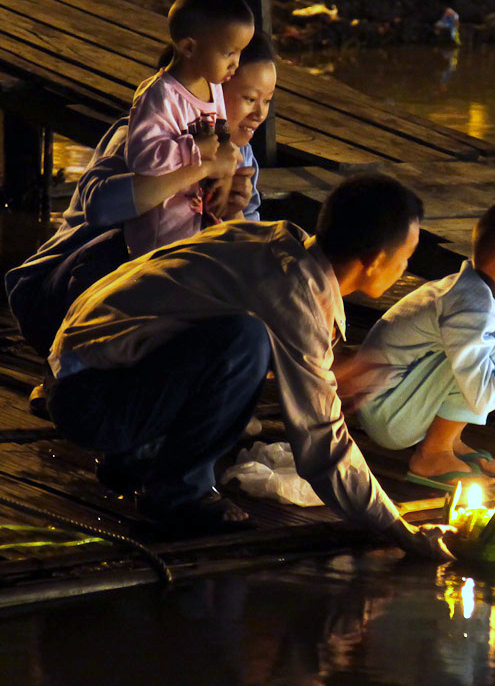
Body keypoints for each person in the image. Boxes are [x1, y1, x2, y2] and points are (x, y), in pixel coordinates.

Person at [45, 173, 451, 556]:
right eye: (406, 257)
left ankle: (139, 457)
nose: (406, 269)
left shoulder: (272, 242)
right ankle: (179, 494)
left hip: (83, 377)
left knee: (246, 343)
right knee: (246, 341)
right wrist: (398, 529)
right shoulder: (294, 293)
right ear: (376, 259)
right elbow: (321, 442)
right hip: (90, 401)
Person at [4, 31, 278, 407]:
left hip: (151, 303)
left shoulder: (243, 159)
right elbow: (101, 208)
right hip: (60, 295)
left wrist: (233, 211)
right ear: (208, 89)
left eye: (267, 101)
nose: (260, 113)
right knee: (126, 250)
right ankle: (66, 378)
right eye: (249, 98)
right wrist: (199, 168)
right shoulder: (141, 138)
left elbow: (242, 257)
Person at [354, 199, 495, 491]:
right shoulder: (469, 306)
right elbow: (483, 394)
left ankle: (448, 441)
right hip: (386, 410)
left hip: (407, 401)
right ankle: (433, 455)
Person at [123, 0, 255, 257]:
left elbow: (223, 141)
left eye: (240, 52)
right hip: (161, 241)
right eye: (229, 53)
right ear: (189, 48)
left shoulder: (213, 87)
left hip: (199, 230)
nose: (236, 63)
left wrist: (226, 177)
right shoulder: (160, 96)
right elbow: (142, 158)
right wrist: (195, 148)